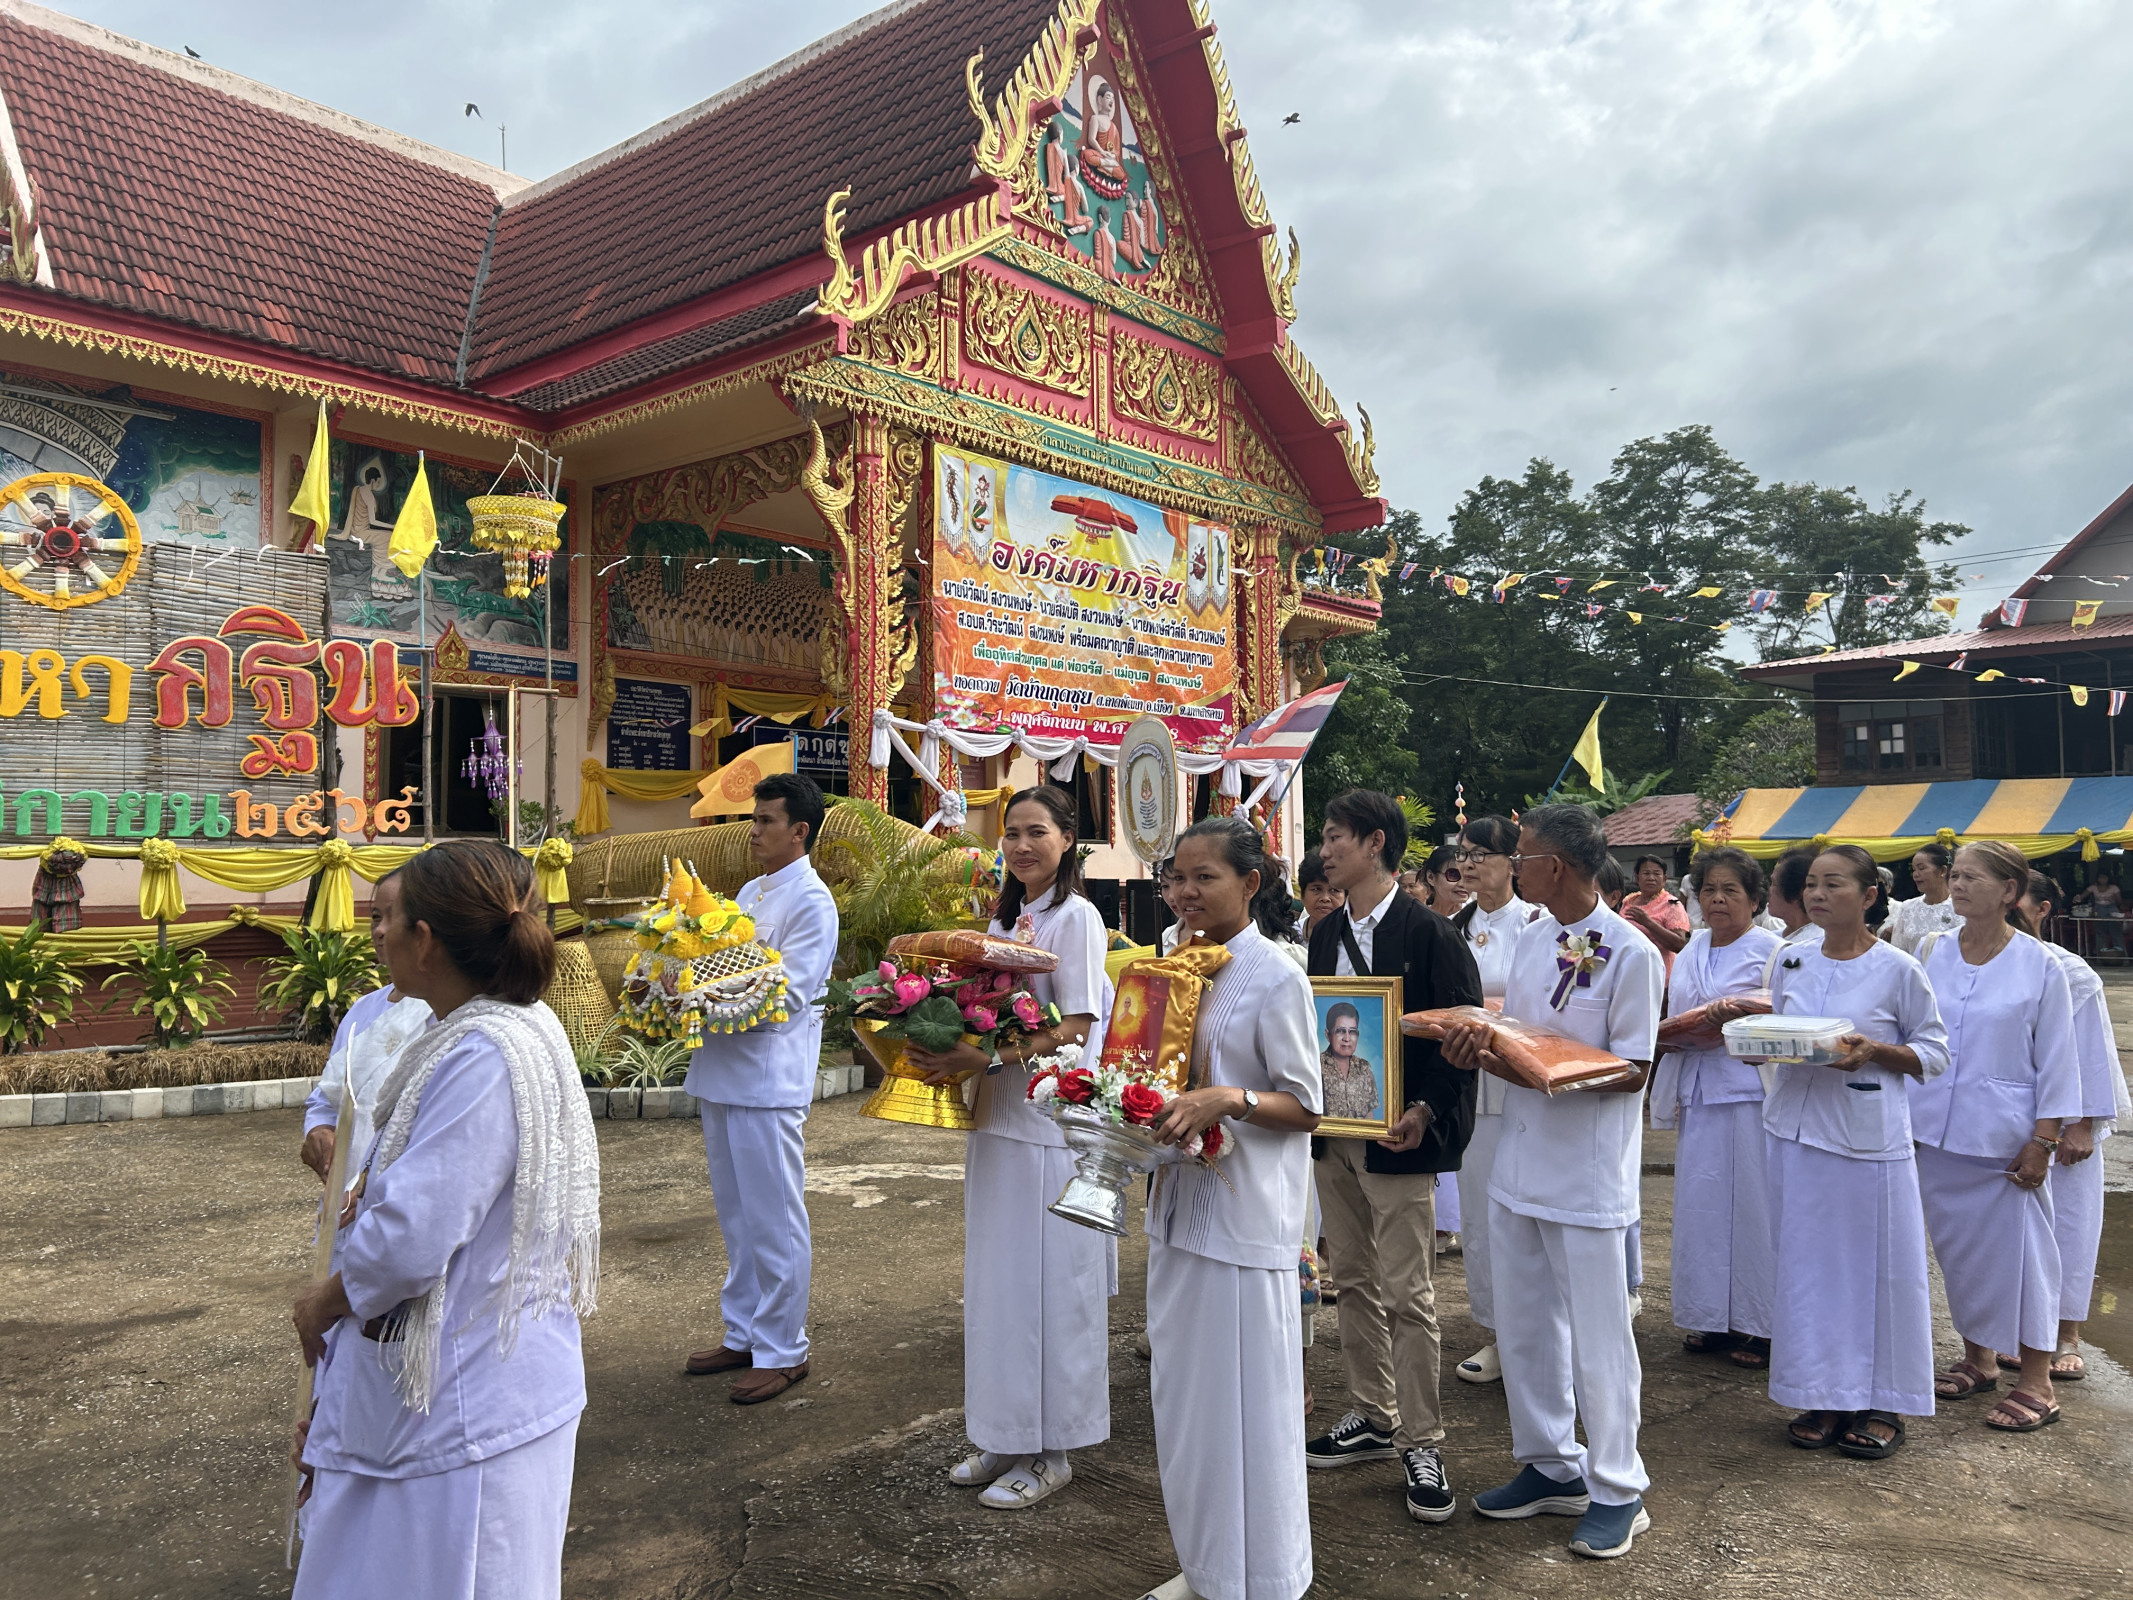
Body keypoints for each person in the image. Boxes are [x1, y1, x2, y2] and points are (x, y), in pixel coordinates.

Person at [290, 843, 598, 1600]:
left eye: (387, 919)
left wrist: (320, 1307)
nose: (378, 935)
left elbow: (409, 1241)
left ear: (426, 939)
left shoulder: (480, 1050)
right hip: (492, 1372)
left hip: (458, 1396)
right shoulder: (509, 1026)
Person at [1443, 804, 1663, 1561]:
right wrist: (1482, 1047)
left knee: (1599, 1337)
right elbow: (1521, 1041)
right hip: (1520, 1160)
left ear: (1554, 867)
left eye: (1523, 854)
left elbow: (1634, 1067)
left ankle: (1616, 1486)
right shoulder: (1538, 938)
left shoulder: (1630, 952)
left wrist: (1547, 1067)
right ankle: (1548, 1463)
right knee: (1526, 1322)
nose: (1512, 863)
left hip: (1586, 1172)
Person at [907, 786, 1113, 1509]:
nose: (1021, 846)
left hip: (1050, 1128)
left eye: (1036, 832)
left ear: (1066, 839)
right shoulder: (1007, 916)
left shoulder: (1077, 917)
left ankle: (1053, 1446)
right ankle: (1004, 1429)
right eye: (1010, 834)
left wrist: (990, 1057)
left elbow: (1080, 1024)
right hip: (998, 1123)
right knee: (999, 1288)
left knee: (1052, 1288)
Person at [1136, 815, 1322, 1600]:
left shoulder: (1276, 973)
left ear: (1250, 885)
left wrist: (1230, 1099)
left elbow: (1307, 1104)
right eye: (1176, 878)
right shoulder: (1169, 966)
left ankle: (1269, 1577)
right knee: (1188, 1408)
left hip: (1246, 1221)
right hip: (1178, 1206)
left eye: (1203, 877)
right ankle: (1210, 1567)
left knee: (1250, 1410)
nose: (1185, 892)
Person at [1302, 790, 1482, 1527]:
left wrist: (1424, 1111)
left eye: (1335, 836)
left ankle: (1421, 1438)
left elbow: (1461, 1040)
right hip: (1334, 1136)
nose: (1323, 849)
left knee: (1410, 1294)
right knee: (1349, 1279)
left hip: (1400, 1140)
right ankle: (1372, 1414)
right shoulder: (1321, 933)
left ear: (1374, 843)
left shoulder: (1430, 935)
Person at [1762, 845, 1947, 1460]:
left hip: (1869, 1138)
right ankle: (1822, 1391)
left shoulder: (1899, 969)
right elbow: (1777, 1033)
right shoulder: (1789, 960)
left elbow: (1935, 1053)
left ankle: (1882, 1399)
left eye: (1833, 884)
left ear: (1869, 896)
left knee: (1878, 1270)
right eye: (1811, 884)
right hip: (1799, 1129)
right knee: (1812, 1269)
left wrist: (1875, 1051)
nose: (1817, 894)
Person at [682, 773, 839, 1404]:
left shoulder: (812, 902)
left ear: (799, 830)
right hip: (723, 1069)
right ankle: (744, 1330)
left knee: (774, 1217)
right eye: (755, 818)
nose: (755, 830)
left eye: (767, 820)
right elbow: (717, 961)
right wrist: (679, 985)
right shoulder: (749, 890)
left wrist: (700, 999)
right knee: (738, 1216)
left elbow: (789, 993)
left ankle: (783, 1348)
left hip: (769, 1077)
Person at [1914, 842, 2078, 1433]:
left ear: (2009, 892)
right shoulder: (1932, 951)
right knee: (1958, 1255)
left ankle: (2037, 1380)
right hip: (1932, 1131)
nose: (1957, 886)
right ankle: (1979, 1358)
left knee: (2027, 1258)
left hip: (2007, 1139)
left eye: (1972, 878)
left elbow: (2060, 1061)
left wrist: (2045, 1140)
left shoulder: (2041, 965)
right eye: (1954, 875)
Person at [1648, 849, 1780, 1369]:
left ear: (1754, 899)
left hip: (1749, 1088)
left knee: (1754, 1208)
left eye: (1731, 891)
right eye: (1708, 890)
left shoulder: (1772, 949)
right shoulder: (1694, 945)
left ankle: (1761, 1324)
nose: (1718, 900)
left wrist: (1737, 1012)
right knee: (1702, 1207)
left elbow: (1787, 1011)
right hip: (1698, 1087)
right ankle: (1711, 1316)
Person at [2017, 871, 2128, 1381]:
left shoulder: (2072, 971)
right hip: (2005, 1119)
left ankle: (2066, 1333)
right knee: (2012, 1231)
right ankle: (2011, 1332)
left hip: (2062, 1126)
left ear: (2041, 909)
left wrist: (2082, 1125)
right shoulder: (1969, 963)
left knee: (2069, 1226)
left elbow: (2095, 1052)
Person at [1448, 814, 1537, 1386]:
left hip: (1526, 1081)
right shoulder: (1452, 926)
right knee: (1481, 1214)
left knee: (1529, 1213)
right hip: (1473, 1081)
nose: (1471, 863)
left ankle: (1542, 1331)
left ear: (1513, 861)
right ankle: (1502, 1331)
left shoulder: (1539, 924)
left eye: (1483, 853)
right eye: (1465, 853)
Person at [300, 979, 432, 1200]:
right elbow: (329, 1094)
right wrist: (319, 1129)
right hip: (345, 1198)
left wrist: (373, 1191)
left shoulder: (453, 1015)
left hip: (404, 1203)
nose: (381, 941)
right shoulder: (362, 1010)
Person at [1619, 855, 1690, 979]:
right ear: (1637, 877)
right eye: (1646, 873)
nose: (1651, 878)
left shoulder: (1672, 904)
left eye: (1657, 874)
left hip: (1660, 973)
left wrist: (1648, 922)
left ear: (1664, 879)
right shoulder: (1629, 900)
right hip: (1630, 970)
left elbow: (1679, 944)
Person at [1882, 842, 1958, 954]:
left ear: (1942, 871)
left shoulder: (1960, 907)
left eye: (1921, 868)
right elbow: (1898, 951)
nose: (1916, 874)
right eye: (1914, 870)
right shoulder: (1907, 907)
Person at [1320, 1002, 1382, 1121]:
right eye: (1340, 1031)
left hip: (1361, 1138)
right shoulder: (1316, 1066)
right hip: (1325, 1138)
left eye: (1352, 1031)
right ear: (1328, 1035)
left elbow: (1370, 1115)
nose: (1347, 1038)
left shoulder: (1364, 1067)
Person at [1297, 850, 1344, 939]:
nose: (1325, 898)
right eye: (1316, 889)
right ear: (1302, 895)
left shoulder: (1360, 938)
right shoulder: (1289, 937)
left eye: (1334, 890)